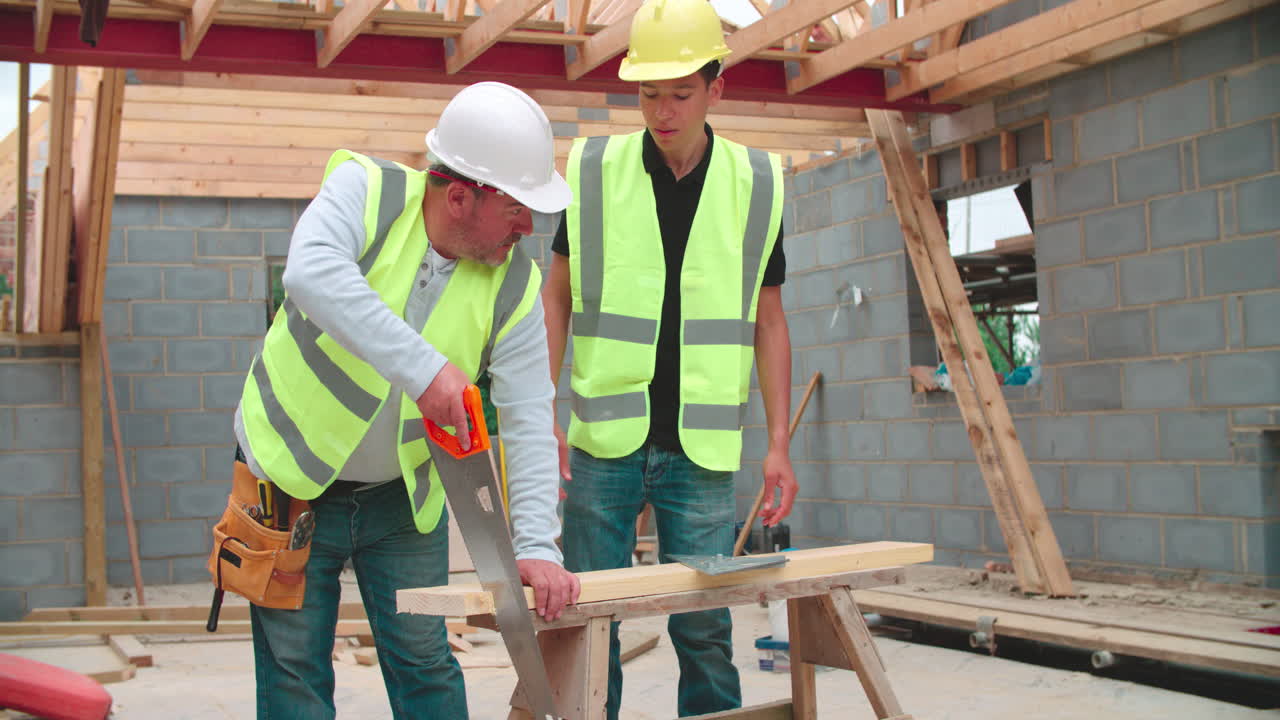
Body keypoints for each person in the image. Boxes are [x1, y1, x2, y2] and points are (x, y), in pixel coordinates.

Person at [232, 81, 580, 720]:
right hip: (289, 477)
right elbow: (309, 271)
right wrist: (427, 372)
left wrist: (535, 545)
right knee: (295, 678)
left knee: (425, 667)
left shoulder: (516, 284)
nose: (529, 227)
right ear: (459, 197)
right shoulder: (364, 193)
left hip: (400, 500)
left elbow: (531, 414)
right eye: (516, 209)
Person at [542, 1, 798, 716]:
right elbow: (554, 295)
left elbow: (768, 320)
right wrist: (541, 411)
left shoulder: (757, 184)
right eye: (648, 93)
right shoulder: (594, 169)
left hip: (703, 449)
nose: (662, 111)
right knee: (589, 619)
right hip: (604, 442)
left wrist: (778, 443)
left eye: (680, 93)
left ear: (717, 89)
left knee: (706, 630)